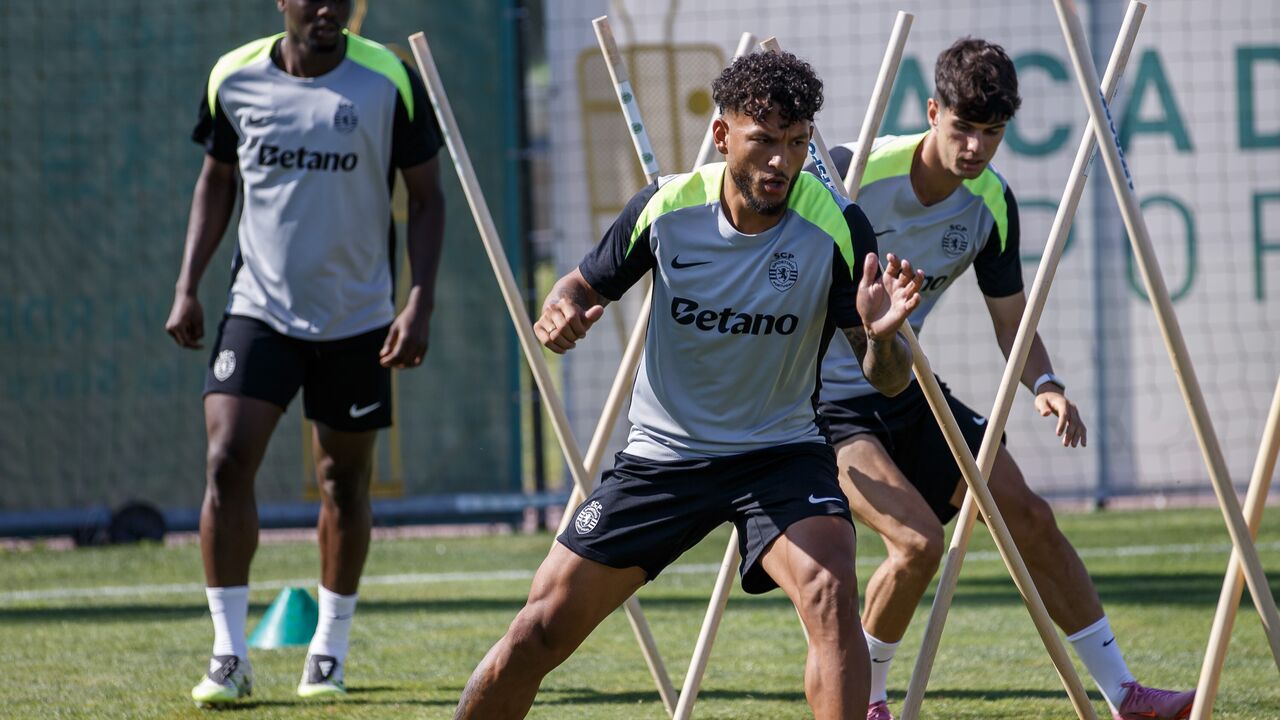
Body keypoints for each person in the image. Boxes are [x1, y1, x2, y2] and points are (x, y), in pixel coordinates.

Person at [452, 51, 923, 719]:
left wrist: (882, 337)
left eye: (797, 142)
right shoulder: (666, 207)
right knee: (538, 630)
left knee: (827, 591)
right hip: (663, 458)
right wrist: (559, 309)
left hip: (780, 452)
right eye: (763, 140)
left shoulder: (839, 226)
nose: (781, 163)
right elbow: (581, 284)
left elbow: (888, 378)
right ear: (723, 134)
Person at [813, 38, 1195, 720]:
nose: (975, 149)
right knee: (916, 543)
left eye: (991, 134)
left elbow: (1011, 321)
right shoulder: (853, 170)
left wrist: (1045, 383)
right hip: (820, 401)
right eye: (963, 129)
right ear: (933, 112)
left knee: (1029, 514)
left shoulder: (991, 203)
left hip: (908, 383)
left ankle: (1125, 693)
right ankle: (869, 701)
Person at [164, 0, 446, 707]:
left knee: (343, 484)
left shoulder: (391, 80)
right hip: (258, 309)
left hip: (359, 319)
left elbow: (427, 197)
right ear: (282, 2)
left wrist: (420, 301)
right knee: (226, 460)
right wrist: (188, 285)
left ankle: (329, 648)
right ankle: (229, 654)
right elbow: (217, 178)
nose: (328, 9)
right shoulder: (234, 77)